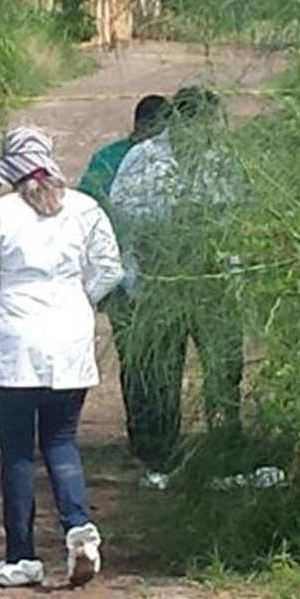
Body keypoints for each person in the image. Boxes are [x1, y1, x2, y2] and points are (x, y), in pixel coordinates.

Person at [0, 126, 125, 588]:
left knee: (16, 451)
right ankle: (78, 528)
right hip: (71, 334)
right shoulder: (85, 209)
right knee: (61, 440)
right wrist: (80, 297)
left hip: (17, 340)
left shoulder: (0, 214)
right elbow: (110, 267)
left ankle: (21, 556)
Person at [105, 86, 244, 469]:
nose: (212, 132)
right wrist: (173, 216)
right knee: (162, 373)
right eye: (206, 124)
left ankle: (225, 453)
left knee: (224, 370)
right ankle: (161, 460)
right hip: (160, 282)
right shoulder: (144, 159)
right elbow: (124, 211)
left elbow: (240, 210)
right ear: (182, 122)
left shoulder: (221, 160)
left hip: (215, 280)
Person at [79, 94, 171, 463]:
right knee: (148, 361)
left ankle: (148, 439)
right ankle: (152, 439)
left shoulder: (109, 158)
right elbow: (87, 208)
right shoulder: (130, 159)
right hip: (131, 276)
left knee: (142, 361)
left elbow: (84, 206)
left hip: (131, 277)